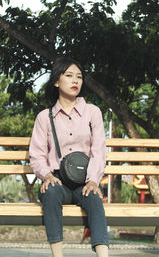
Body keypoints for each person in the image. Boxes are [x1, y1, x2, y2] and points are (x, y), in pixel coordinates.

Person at [29, 57, 109, 257]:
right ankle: (58, 255)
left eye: (79, 77)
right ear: (56, 81)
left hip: (84, 181)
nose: (76, 81)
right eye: (69, 76)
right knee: (51, 191)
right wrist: (47, 175)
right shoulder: (44, 117)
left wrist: (93, 181)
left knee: (94, 196)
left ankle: (103, 255)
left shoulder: (93, 113)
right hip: (58, 180)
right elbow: (37, 154)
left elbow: (99, 151)